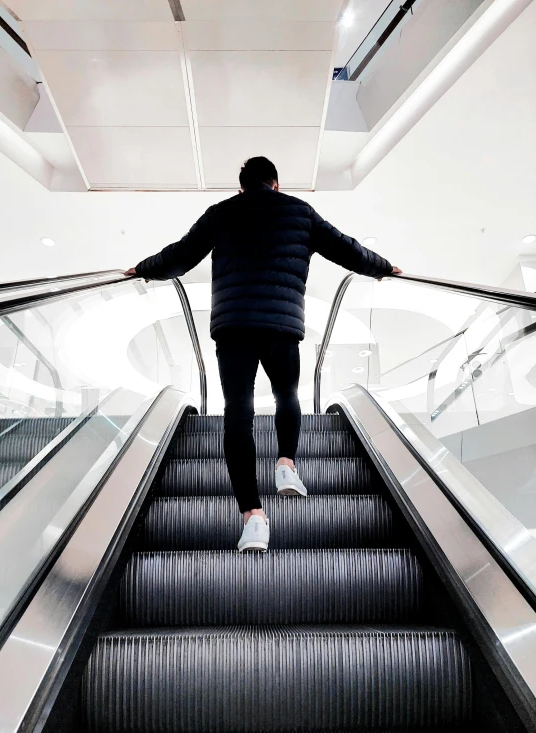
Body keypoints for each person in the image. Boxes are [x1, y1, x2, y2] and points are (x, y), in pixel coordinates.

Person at [126, 156, 401, 553]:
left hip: (234, 325)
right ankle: (286, 465)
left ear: (242, 186)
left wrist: (143, 269)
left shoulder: (221, 213)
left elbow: (180, 256)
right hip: (281, 326)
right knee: (286, 395)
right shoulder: (299, 212)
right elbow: (347, 250)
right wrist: (383, 268)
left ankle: (253, 517)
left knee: (238, 408)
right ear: (275, 182)